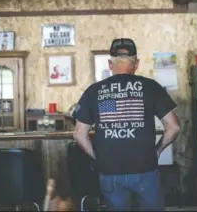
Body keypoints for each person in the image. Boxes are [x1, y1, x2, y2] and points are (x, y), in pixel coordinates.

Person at [73, 38, 181, 211]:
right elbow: (174, 127)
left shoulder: (94, 91)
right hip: (145, 167)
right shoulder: (151, 87)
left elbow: (79, 133)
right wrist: (158, 150)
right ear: (136, 63)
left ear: (110, 64)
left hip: (110, 170)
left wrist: (97, 157)